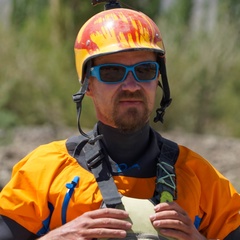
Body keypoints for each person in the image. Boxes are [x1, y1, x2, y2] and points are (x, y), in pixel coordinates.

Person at [0, 3, 240, 240]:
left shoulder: (200, 178)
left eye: (144, 70)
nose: (131, 85)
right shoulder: (45, 172)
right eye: (112, 72)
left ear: (158, 78)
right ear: (87, 84)